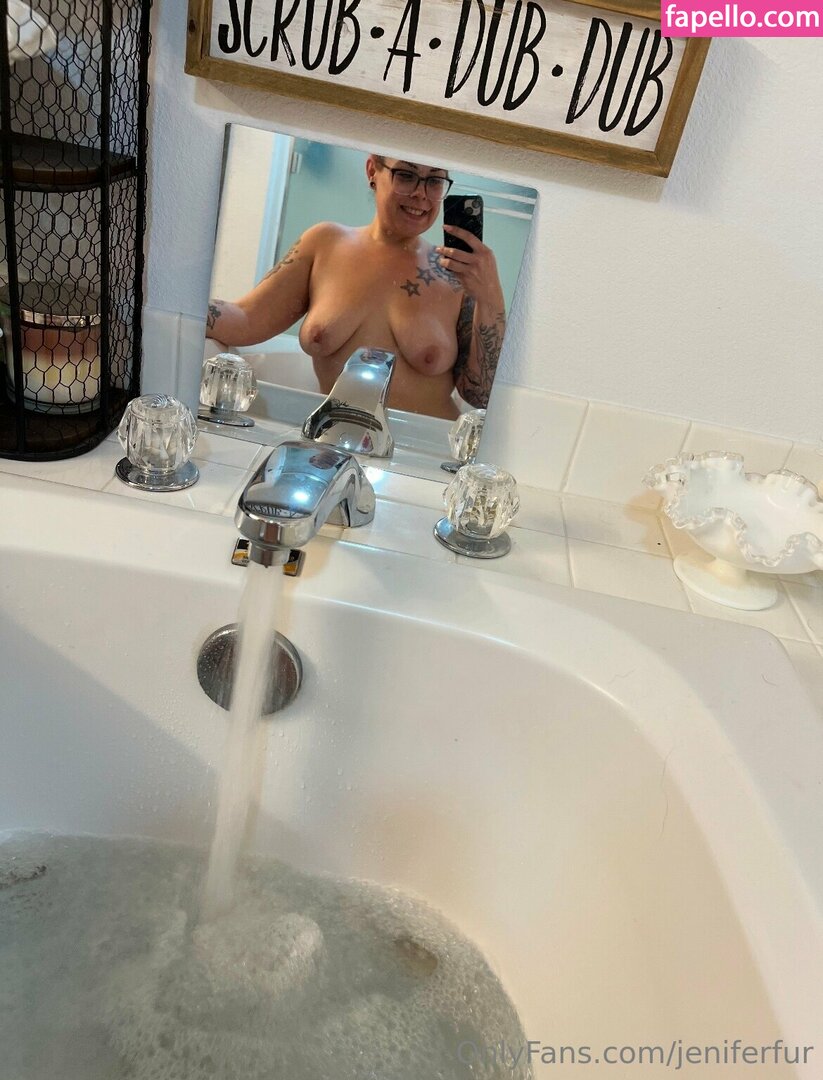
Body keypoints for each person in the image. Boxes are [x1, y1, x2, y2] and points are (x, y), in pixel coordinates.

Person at [206, 154, 506, 421]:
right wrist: (184, 301)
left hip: (423, 450)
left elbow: (480, 395)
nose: (420, 194)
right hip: (332, 442)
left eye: (435, 181)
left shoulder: (458, 275)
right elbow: (245, 319)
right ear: (372, 170)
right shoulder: (325, 243)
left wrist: (490, 297)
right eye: (406, 175)